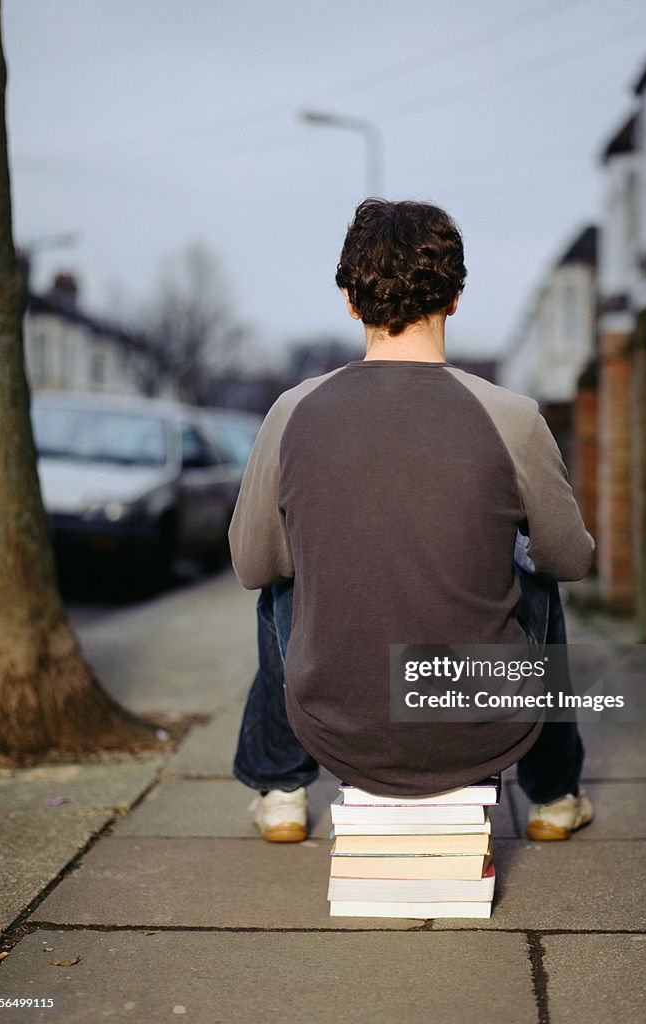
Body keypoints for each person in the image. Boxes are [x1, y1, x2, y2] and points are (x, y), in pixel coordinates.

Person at [229, 198, 594, 842]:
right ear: (454, 297)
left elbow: (253, 564)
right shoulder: (512, 415)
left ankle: (284, 789)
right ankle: (554, 795)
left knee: (279, 588)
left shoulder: (291, 411)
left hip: (337, 724)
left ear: (350, 299)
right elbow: (571, 558)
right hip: (477, 715)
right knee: (539, 575)